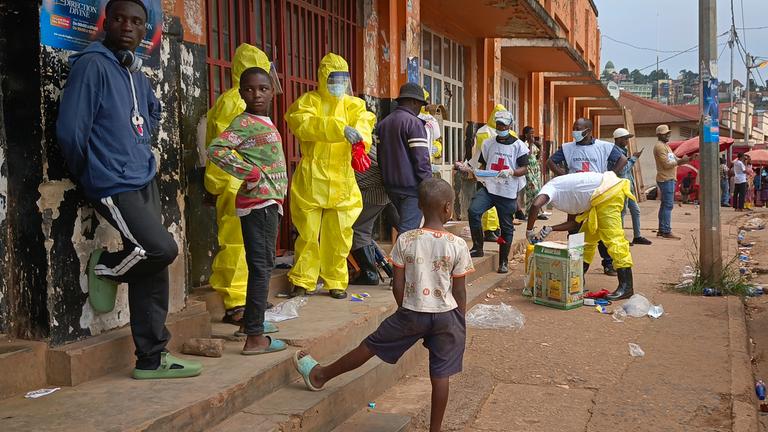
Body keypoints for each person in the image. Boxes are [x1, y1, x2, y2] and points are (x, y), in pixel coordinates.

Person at [56, 0, 202, 379]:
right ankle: (104, 267)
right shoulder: (92, 65)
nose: (127, 26)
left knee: (151, 269)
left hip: (143, 175)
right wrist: (91, 170)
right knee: (159, 250)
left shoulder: (134, 71)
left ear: (145, 29)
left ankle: (151, 358)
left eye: (137, 21)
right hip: (111, 181)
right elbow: (71, 131)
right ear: (107, 22)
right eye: (119, 18)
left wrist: (141, 143)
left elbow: (152, 111)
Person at [292, 178, 473, 432]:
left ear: (419, 206)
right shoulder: (458, 245)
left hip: (411, 311)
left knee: (370, 345)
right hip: (446, 316)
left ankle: (320, 375)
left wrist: (405, 311)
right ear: (447, 208)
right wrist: (459, 320)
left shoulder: (406, 239)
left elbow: (397, 285)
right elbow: (460, 291)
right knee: (440, 375)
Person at [207, 67, 288, 355]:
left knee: (260, 266)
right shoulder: (243, 122)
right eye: (250, 89)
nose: (257, 94)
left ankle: (252, 323)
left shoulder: (262, 121)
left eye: (263, 88)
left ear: (272, 92)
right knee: (262, 268)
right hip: (259, 204)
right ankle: (254, 337)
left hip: (266, 204)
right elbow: (216, 150)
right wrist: (249, 173)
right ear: (241, 93)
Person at [285, 53, 376, 299]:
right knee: (308, 232)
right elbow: (302, 123)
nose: (338, 84)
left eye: (343, 79)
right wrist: (339, 129)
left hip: (342, 177)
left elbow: (366, 123)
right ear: (323, 77)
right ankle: (303, 279)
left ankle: (336, 280)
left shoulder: (354, 105)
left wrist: (361, 137)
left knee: (340, 233)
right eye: (333, 78)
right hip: (312, 175)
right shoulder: (309, 101)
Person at [525, 171, 636, 300]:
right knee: (586, 241)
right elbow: (574, 224)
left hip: (608, 192)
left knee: (614, 239)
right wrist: (551, 228)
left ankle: (627, 287)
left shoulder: (551, 188)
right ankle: (576, 280)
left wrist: (529, 231)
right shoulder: (565, 192)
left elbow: (535, 205)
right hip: (599, 198)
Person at [546, 118, 628, 276]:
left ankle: (608, 264)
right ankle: (575, 264)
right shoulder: (567, 148)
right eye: (574, 127)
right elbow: (550, 162)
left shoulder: (604, 146)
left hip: (598, 193)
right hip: (576, 195)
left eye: (579, 128)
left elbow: (622, 159)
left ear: (589, 131)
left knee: (602, 229)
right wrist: (564, 176)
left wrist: (610, 176)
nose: (575, 131)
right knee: (575, 228)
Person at [467, 110, 529, 273]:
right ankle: (478, 247)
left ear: (510, 125)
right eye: (498, 123)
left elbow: (524, 168)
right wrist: (476, 173)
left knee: (506, 227)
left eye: (503, 123)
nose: (500, 126)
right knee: (473, 211)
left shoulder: (519, 146)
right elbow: (483, 163)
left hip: (507, 191)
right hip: (489, 188)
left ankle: (503, 262)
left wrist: (511, 172)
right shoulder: (488, 143)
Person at [377, 82, 431, 234]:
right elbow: (421, 159)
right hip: (412, 188)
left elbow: (380, 158)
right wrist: (428, 185)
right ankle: (402, 258)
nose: (420, 109)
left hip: (390, 186)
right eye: (420, 104)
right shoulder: (413, 123)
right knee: (408, 234)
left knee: (404, 229)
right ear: (414, 101)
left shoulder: (383, 123)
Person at [349, 142, 397, 285]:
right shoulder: (366, 143)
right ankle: (378, 270)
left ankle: (369, 274)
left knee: (358, 230)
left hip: (372, 192)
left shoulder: (353, 144)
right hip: (382, 191)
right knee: (364, 231)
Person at [472, 104, 511, 240]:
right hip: (487, 171)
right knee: (487, 205)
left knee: (500, 204)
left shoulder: (505, 132)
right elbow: (485, 153)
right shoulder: (484, 131)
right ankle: (488, 230)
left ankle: (496, 228)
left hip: (501, 173)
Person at [613, 128, 651, 246]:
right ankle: (620, 237)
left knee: (635, 210)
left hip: (628, 186)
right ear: (618, 139)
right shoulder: (616, 152)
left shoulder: (622, 151)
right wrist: (634, 158)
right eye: (625, 138)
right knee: (622, 212)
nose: (627, 141)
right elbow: (622, 170)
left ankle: (637, 236)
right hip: (621, 186)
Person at [653, 124, 692, 239]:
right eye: (666, 134)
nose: (668, 135)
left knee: (665, 205)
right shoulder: (660, 147)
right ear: (660, 135)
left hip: (668, 179)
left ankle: (662, 229)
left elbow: (675, 159)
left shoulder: (666, 146)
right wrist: (681, 162)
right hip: (666, 179)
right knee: (668, 206)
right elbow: (666, 165)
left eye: (668, 133)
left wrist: (688, 159)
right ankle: (665, 230)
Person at [520, 126, 548, 222]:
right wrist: (531, 145)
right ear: (526, 134)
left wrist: (539, 147)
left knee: (538, 191)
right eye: (530, 133)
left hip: (535, 170)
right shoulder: (523, 144)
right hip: (528, 170)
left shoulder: (534, 144)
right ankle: (532, 212)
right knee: (533, 191)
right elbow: (527, 157)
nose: (532, 135)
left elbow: (537, 157)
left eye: (533, 133)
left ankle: (534, 213)